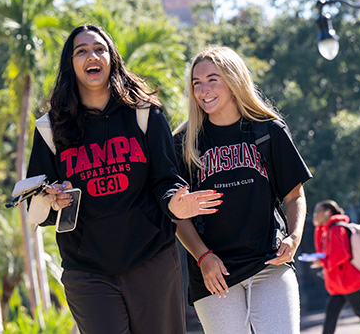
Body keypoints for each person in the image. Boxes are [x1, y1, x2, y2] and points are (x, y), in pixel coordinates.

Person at [25, 24, 221, 334]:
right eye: (81, 51)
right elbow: (37, 199)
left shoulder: (144, 113)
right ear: (70, 63)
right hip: (87, 269)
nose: (92, 55)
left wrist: (176, 204)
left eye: (99, 49)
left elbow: (165, 178)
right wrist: (52, 197)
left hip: (151, 258)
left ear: (112, 58)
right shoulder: (51, 127)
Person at [174, 45, 313, 334]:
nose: (204, 90)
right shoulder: (183, 143)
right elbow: (177, 216)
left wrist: (294, 236)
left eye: (213, 79)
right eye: (196, 83)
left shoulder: (268, 131)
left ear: (234, 79)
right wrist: (202, 256)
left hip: (269, 262)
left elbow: (294, 194)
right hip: (214, 272)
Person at [312, 200, 360, 334]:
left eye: (317, 212)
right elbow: (322, 250)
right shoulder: (329, 229)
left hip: (349, 281)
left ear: (327, 212)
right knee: (331, 316)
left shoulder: (337, 229)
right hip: (340, 283)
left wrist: (322, 263)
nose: (315, 215)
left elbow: (340, 255)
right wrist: (318, 227)